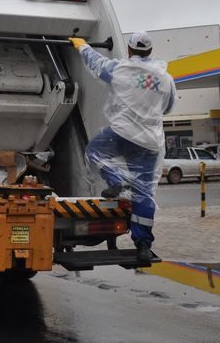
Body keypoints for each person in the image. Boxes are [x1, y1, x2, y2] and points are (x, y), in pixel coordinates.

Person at [68, 32, 176, 263]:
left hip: (122, 134)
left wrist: (81, 46)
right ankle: (143, 245)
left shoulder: (121, 69)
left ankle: (118, 183)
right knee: (144, 193)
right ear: (149, 51)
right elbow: (167, 108)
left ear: (129, 50)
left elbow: (96, 63)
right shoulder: (166, 78)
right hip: (150, 143)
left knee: (95, 152)